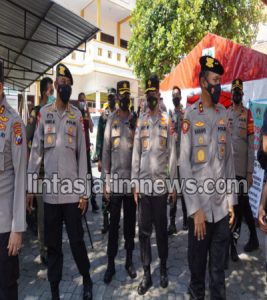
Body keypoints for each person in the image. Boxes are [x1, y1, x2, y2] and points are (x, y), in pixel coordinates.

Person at [27, 64, 92, 300]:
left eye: (68, 85)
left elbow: (82, 157)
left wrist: (85, 193)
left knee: (76, 242)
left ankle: (86, 279)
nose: (64, 88)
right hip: (51, 195)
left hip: (73, 194)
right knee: (53, 246)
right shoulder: (44, 114)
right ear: (55, 86)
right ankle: (55, 290)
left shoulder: (77, 116)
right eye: (61, 84)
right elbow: (36, 153)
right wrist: (30, 188)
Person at [180, 56, 236, 300]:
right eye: (215, 81)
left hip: (221, 210)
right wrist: (194, 210)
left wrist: (232, 201)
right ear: (203, 82)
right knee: (197, 276)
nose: (218, 87)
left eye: (220, 82)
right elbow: (184, 166)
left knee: (218, 275)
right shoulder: (190, 117)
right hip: (200, 214)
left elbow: (229, 162)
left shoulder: (224, 115)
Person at [131, 75, 177, 295]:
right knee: (144, 233)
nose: (151, 99)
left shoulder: (167, 121)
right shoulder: (140, 122)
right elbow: (136, 153)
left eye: (154, 96)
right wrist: (135, 184)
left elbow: (172, 156)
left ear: (159, 96)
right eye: (148, 96)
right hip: (144, 189)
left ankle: (164, 269)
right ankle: (147, 273)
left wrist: (173, 185)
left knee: (161, 232)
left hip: (160, 188)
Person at [102, 81, 137, 284]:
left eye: (127, 95)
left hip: (131, 185)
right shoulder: (111, 121)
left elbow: (140, 153)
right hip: (115, 185)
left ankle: (129, 261)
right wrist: (105, 182)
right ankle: (110, 264)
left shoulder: (135, 121)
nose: (124, 99)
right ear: (117, 99)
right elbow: (106, 152)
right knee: (114, 226)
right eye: (121, 96)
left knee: (130, 226)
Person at [0, 60, 27, 300]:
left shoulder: (14, 123)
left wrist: (18, 227)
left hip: (4, 225)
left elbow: (21, 175)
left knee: (7, 288)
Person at [226, 79, 258, 262]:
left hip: (242, 171)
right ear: (231, 94)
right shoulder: (227, 113)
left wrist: (249, 172)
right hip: (229, 171)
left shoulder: (248, 115)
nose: (236, 94)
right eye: (234, 91)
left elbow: (252, 146)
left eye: (239, 92)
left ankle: (234, 244)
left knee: (240, 208)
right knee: (238, 207)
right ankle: (240, 242)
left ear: (242, 94)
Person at [26, 77, 54, 266]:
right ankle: (44, 250)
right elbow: (28, 140)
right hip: (41, 173)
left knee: (53, 214)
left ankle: (52, 245)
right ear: (45, 92)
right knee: (43, 216)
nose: (54, 94)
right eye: (52, 90)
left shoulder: (54, 113)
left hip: (55, 172)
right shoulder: (36, 113)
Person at [95, 88, 116, 234]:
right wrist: (99, 158)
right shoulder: (104, 116)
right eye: (109, 98)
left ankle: (114, 219)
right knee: (105, 190)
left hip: (118, 160)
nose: (111, 100)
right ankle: (105, 219)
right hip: (106, 158)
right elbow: (99, 137)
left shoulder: (119, 114)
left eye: (112, 97)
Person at [168, 86, 188, 235]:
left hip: (184, 158)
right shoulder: (169, 114)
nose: (175, 97)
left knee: (186, 191)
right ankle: (172, 222)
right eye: (173, 95)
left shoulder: (185, 112)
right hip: (173, 159)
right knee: (173, 191)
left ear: (181, 96)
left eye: (177, 95)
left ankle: (187, 220)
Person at [78, 92, 99, 213]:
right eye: (80, 100)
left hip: (86, 148)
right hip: (78, 150)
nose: (82, 102)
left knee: (89, 176)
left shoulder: (86, 113)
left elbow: (91, 129)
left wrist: (88, 114)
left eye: (84, 100)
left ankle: (93, 201)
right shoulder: (75, 113)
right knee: (81, 176)